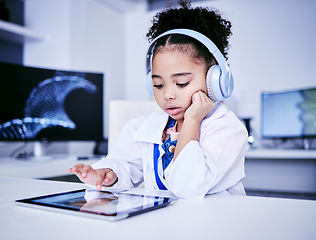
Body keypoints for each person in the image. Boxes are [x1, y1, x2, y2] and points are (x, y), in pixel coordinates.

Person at [68, 0, 248, 198]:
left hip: (214, 224)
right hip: (162, 224)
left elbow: (188, 187)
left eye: (181, 83)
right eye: (158, 85)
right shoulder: (141, 127)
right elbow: (125, 164)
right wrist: (109, 174)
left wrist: (192, 121)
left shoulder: (228, 129)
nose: (167, 95)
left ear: (215, 81)